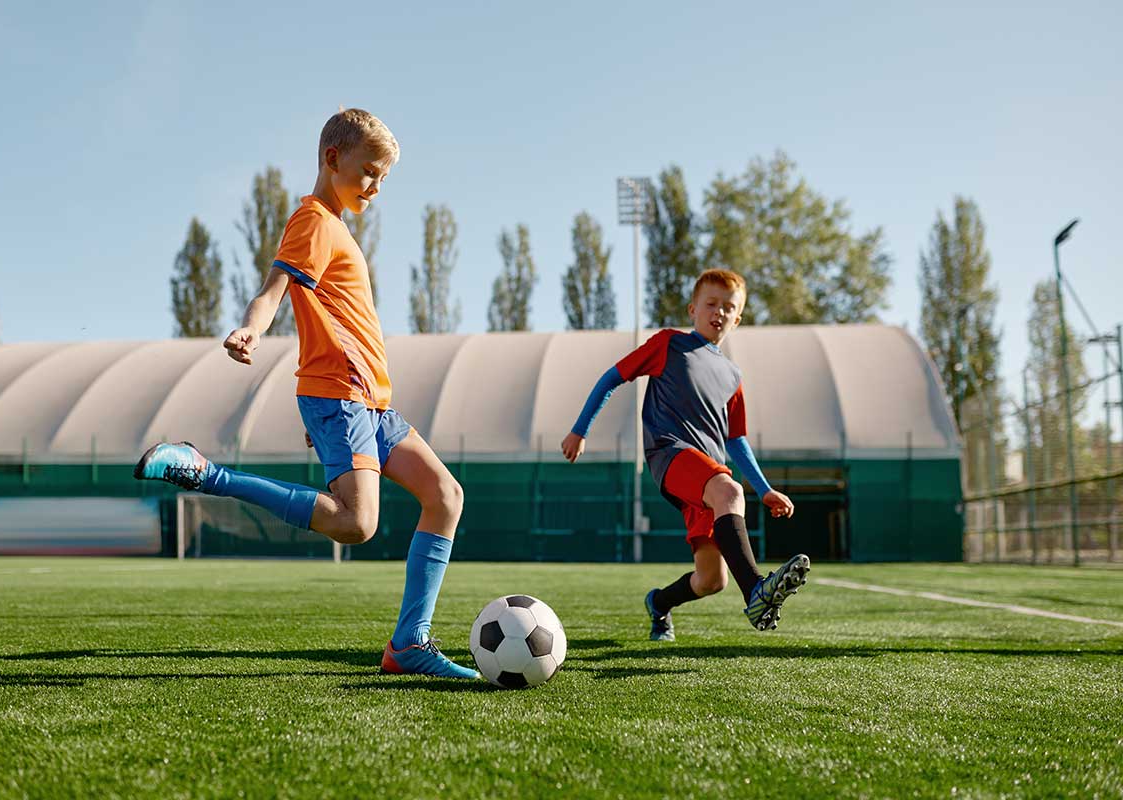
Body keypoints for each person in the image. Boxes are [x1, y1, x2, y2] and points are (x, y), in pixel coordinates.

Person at [135, 108, 477, 678]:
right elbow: (273, 290)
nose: (375, 185)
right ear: (331, 158)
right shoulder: (314, 221)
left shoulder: (338, 227)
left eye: (383, 178)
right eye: (369, 171)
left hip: (372, 402)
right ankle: (207, 472)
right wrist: (252, 328)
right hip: (338, 395)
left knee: (445, 496)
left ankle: (409, 645)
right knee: (356, 524)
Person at [561, 268, 810, 640]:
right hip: (671, 454)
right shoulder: (669, 344)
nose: (719, 312)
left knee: (712, 579)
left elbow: (736, 439)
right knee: (730, 492)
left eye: (729, 307)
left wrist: (765, 488)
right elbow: (611, 378)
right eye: (711, 303)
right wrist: (580, 429)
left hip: (708, 477)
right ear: (693, 309)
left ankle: (659, 603)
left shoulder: (732, 375)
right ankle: (757, 590)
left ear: (737, 319)